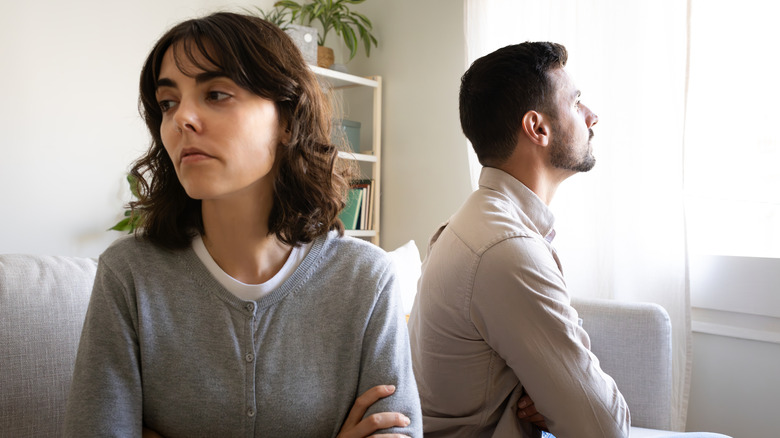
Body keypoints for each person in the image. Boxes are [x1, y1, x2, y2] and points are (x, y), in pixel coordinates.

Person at [64, 12, 421, 437]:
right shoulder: (129, 276)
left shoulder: (365, 278)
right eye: (167, 103)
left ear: (287, 120)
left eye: (215, 94)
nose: (182, 120)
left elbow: (396, 428)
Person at [407, 42, 630, 437]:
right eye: (576, 103)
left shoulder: (479, 223)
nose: (592, 116)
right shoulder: (506, 250)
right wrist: (556, 400)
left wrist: (551, 398)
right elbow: (605, 428)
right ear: (537, 128)